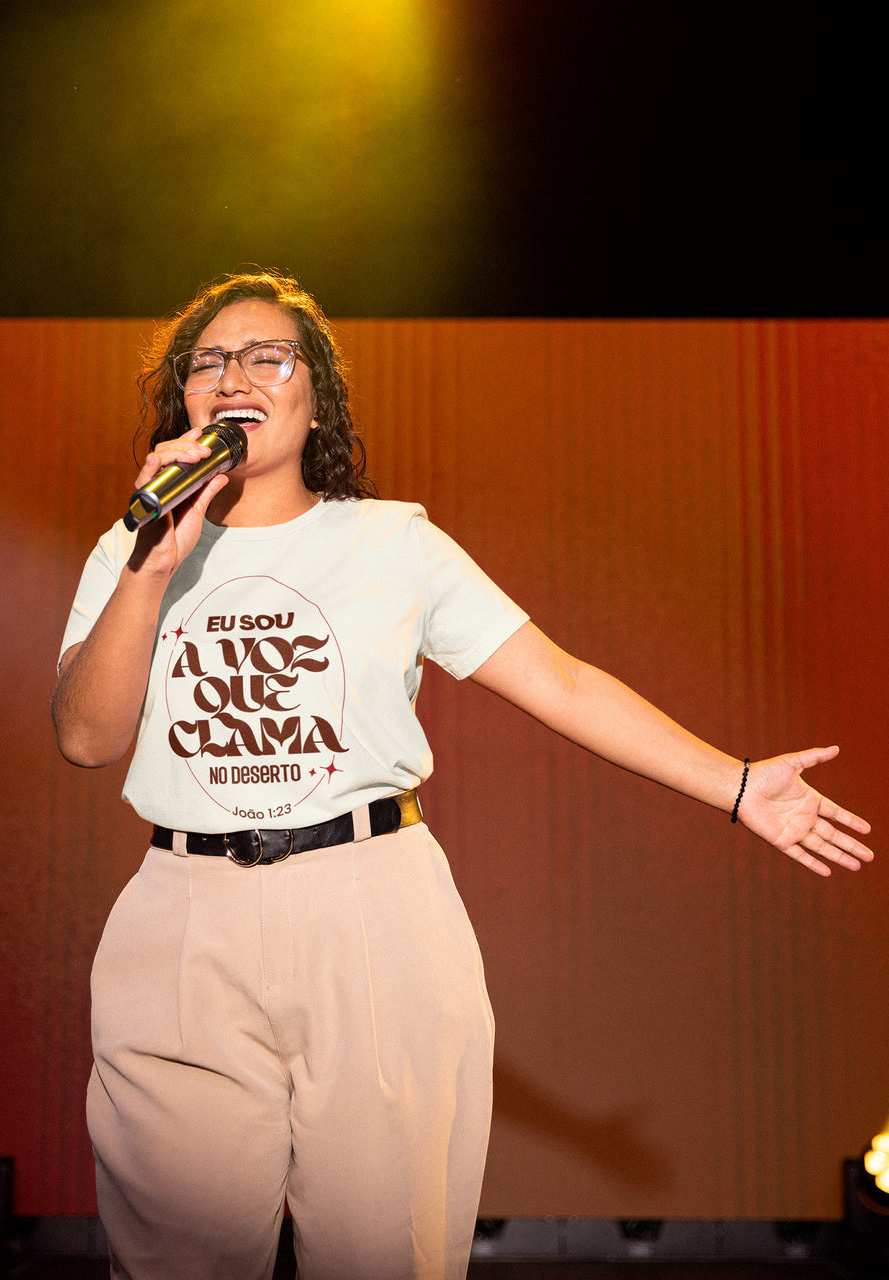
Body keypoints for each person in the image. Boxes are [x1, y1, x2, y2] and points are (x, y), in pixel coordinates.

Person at [52, 270, 873, 1280]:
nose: (234, 375)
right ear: (184, 397)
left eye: (268, 355)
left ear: (315, 401)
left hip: (367, 901)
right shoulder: (129, 546)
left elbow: (563, 683)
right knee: (172, 1257)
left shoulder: (392, 542)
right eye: (208, 361)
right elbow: (87, 737)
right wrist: (147, 563)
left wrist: (738, 785)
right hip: (180, 914)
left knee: (382, 1253)